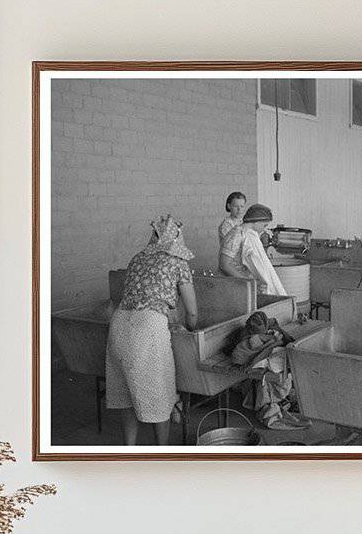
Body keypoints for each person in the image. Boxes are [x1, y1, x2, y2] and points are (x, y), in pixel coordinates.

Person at [106, 215, 198, 446]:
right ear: (177, 237)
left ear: (154, 235)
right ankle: (162, 452)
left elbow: (130, 295)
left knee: (125, 390)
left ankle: (129, 450)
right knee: (161, 392)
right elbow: (193, 312)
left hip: (119, 324)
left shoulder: (138, 258)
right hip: (148, 328)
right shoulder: (179, 263)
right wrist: (192, 331)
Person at [219, 203, 287, 295]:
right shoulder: (237, 235)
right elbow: (224, 265)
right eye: (264, 225)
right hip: (235, 285)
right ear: (257, 221)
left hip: (245, 285)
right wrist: (250, 282)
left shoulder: (249, 235)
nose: (264, 229)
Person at [218, 191, 246, 268]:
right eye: (236, 206)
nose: (239, 209)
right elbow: (233, 246)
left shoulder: (243, 222)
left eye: (242, 206)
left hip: (243, 265)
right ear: (229, 206)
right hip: (232, 266)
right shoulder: (226, 225)